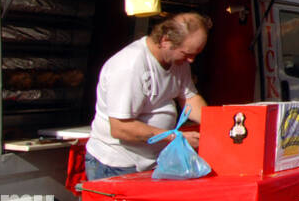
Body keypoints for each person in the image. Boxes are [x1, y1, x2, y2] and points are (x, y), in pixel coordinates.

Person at [85, 12, 211, 181]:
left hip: (153, 162)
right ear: (165, 41)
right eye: (186, 54)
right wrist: (175, 137)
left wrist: (216, 125)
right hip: (116, 165)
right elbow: (120, 127)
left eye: (195, 54)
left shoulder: (177, 61)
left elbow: (189, 98)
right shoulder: (130, 67)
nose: (191, 60)